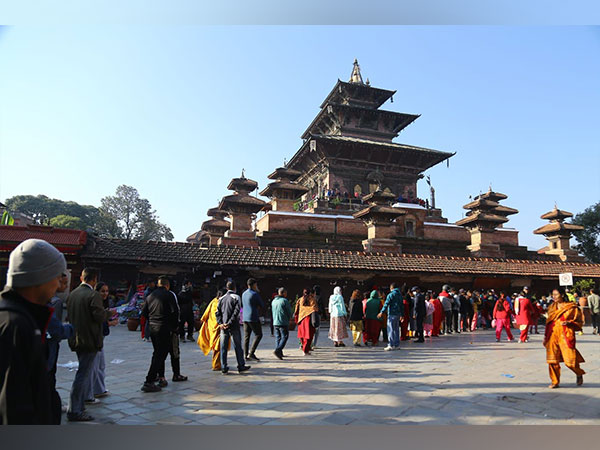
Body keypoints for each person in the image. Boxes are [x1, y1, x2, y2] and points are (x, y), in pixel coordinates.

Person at [0, 239, 67, 424]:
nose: (59, 284)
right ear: (41, 278)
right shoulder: (16, 325)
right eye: (57, 276)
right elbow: (13, 404)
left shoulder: (22, 318)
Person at [66, 268, 115, 421]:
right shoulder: (93, 294)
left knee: (82, 372)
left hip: (76, 337)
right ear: (94, 279)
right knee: (83, 375)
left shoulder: (73, 294)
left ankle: (76, 406)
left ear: (82, 277)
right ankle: (75, 409)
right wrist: (109, 313)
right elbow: (99, 316)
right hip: (89, 339)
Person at [141, 276, 180, 392]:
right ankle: (149, 380)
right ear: (167, 285)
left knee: (158, 353)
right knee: (160, 355)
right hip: (164, 328)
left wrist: (152, 321)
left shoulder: (150, 296)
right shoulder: (169, 295)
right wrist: (174, 327)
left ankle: (158, 377)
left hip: (153, 328)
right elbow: (175, 312)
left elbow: (144, 313)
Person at [544, 287, 586, 388]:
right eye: (552, 295)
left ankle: (579, 373)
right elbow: (548, 322)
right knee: (552, 361)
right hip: (552, 335)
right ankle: (555, 381)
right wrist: (545, 337)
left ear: (562, 295)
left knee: (570, 361)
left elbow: (580, 321)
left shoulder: (571, 307)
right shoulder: (551, 307)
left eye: (556, 295)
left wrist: (570, 322)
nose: (554, 297)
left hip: (565, 334)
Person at [86, 282, 118, 402]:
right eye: (102, 291)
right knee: (93, 366)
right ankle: (89, 393)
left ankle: (99, 389)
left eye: (106, 291)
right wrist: (109, 322)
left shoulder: (103, 302)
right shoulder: (94, 301)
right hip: (94, 337)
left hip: (100, 337)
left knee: (100, 365)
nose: (105, 294)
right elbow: (97, 319)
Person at [216, 281, 251, 374]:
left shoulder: (221, 298)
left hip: (223, 327)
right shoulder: (236, 297)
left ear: (227, 288)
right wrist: (229, 323)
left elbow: (217, 313)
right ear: (234, 288)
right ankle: (241, 365)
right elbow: (236, 312)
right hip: (233, 326)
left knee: (223, 347)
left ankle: (224, 366)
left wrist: (221, 323)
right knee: (237, 346)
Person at [197, 289, 225, 371]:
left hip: (212, 327)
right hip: (218, 328)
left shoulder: (213, 301)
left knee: (217, 347)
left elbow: (205, 315)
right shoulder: (221, 303)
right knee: (218, 347)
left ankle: (218, 363)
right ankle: (216, 365)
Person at [166, 284, 188, 383]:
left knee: (159, 354)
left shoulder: (152, 295)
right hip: (171, 330)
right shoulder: (171, 295)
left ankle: (160, 376)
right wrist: (176, 327)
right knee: (174, 353)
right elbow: (176, 312)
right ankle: (176, 374)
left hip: (156, 328)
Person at [242, 278, 265, 362]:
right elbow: (261, 304)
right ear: (254, 285)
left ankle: (245, 354)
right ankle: (251, 353)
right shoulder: (255, 294)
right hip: (253, 317)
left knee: (246, 336)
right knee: (259, 334)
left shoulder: (244, 294)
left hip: (245, 317)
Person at [378, 282, 403, 351]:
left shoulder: (390, 295)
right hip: (398, 314)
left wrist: (382, 312)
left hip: (391, 313)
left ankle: (391, 344)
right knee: (396, 330)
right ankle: (396, 344)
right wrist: (402, 315)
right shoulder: (400, 295)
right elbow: (401, 306)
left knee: (390, 329)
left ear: (391, 288)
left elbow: (386, 304)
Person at [294, 288, 319, 355]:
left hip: (301, 319)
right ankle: (306, 350)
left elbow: (296, 310)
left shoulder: (300, 299)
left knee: (302, 335)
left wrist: (296, 319)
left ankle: (304, 348)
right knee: (309, 336)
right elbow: (315, 309)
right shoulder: (312, 300)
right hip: (309, 319)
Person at [271, 287, 292, 360]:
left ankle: (279, 352)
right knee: (284, 337)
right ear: (283, 293)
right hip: (283, 321)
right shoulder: (284, 301)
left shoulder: (274, 301)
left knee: (278, 337)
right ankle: (278, 350)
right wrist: (290, 317)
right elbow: (289, 311)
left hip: (275, 321)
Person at [312, 285, 324, 349]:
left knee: (311, 329)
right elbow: (322, 307)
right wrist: (324, 316)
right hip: (318, 314)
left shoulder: (311, 297)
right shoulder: (319, 298)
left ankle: (310, 343)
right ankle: (314, 344)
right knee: (317, 330)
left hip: (311, 314)